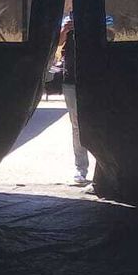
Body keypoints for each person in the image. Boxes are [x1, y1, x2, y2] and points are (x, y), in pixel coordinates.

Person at [57, 14, 92, 186]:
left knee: (99, 122)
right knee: (77, 125)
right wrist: (65, 30)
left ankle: (106, 169)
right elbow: (56, 43)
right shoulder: (66, 20)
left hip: (95, 78)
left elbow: (112, 34)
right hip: (71, 79)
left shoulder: (101, 12)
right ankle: (81, 168)